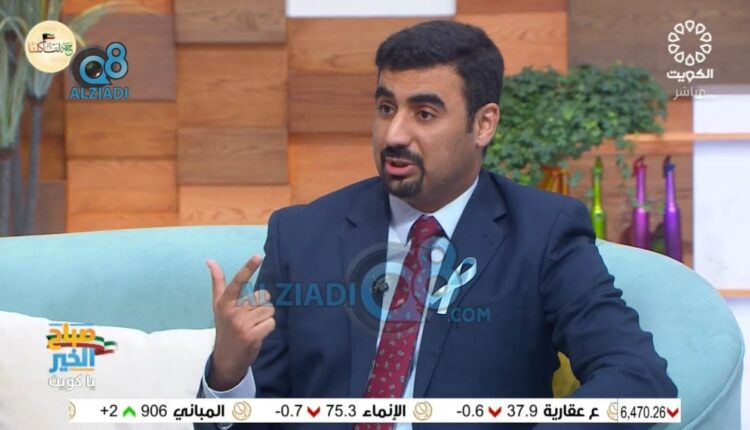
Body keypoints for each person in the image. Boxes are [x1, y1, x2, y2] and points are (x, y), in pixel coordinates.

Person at [196, 20, 677, 430]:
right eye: (386, 108)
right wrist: (227, 375)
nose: (394, 134)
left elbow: (640, 381)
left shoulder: (542, 234)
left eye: (424, 114)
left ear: (483, 124)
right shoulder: (301, 235)